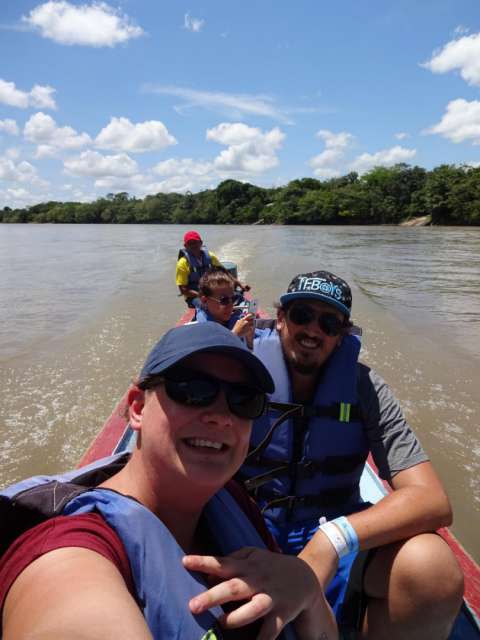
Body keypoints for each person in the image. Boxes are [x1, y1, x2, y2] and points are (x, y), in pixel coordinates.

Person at [0, 322, 337, 640]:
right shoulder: (71, 557)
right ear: (137, 408)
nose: (220, 416)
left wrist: (307, 587)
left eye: (243, 399)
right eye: (192, 389)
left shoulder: (232, 500)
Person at [239, 271, 464, 639]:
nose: (313, 330)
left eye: (329, 322)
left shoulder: (365, 389)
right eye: (301, 316)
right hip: (248, 528)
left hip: (333, 534)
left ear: (342, 334)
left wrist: (332, 540)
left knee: (431, 567)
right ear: (280, 318)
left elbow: (433, 500)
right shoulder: (237, 371)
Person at [176, 230, 249, 308]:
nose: (193, 245)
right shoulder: (182, 263)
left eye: (195, 242)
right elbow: (183, 290)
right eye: (190, 243)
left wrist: (240, 284)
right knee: (209, 306)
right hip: (195, 296)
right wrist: (200, 295)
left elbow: (225, 273)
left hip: (211, 291)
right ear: (185, 246)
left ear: (201, 243)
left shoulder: (210, 257)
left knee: (237, 297)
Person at [196, 266, 255, 347]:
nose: (231, 305)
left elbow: (251, 348)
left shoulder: (237, 318)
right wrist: (235, 335)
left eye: (233, 299)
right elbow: (213, 357)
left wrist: (249, 336)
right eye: (224, 300)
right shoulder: (201, 332)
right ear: (205, 301)